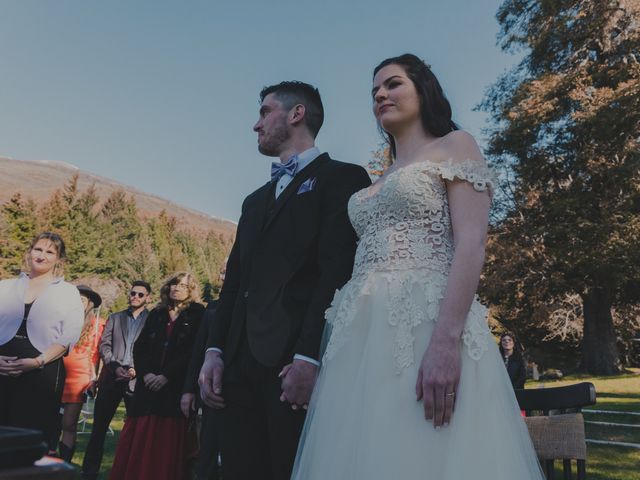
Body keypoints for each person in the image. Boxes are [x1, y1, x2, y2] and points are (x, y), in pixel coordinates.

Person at [291, 54, 544, 479]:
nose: (380, 95)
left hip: (427, 325)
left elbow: (471, 244)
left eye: (392, 84)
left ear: (422, 90)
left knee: (425, 451)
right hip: (362, 338)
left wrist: (445, 343)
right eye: (374, 91)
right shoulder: (382, 175)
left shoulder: (455, 146)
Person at [199, 81, 371, 480]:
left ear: (296, 114)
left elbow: (337, 272)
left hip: (291, 365)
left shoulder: (342, 179)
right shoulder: (253, 200)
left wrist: (309, 357)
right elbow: (234, 280)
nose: (255, 126)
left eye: (264, 112)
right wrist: (214, 350)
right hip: (237, 364)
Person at [110, 272, 205, 480]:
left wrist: (166, 376)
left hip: (174, 387)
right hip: (147, 386)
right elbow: (140, 346)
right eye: (174, 284)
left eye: (183, 285)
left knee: (167, 442)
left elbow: (193, 351)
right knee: (142, 434)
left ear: (191, 290)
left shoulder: (197, 314)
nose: (177, 288)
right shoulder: (157, 313)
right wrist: (145, 375)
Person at [0, 232, 84, 452]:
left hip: (42, 372)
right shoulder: (5, 286)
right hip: (1, 366)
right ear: (30, 252)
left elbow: (69, 335)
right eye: (38, 249)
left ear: (58, 259)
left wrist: (37, 362)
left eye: (50, 252)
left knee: (26, 440)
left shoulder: (68, 292)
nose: (42, 256)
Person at [81, 280, 151, 480]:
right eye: (133, 293)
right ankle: (89, 471)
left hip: (136, 383)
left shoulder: (153, 320)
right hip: (111, 379)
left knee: (136, 432)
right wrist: (114, 366)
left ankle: (133, 471)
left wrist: (140, 369)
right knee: (99, 429)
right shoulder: (115, 317)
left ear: (148, 298)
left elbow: (151, 350)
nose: (135, 297)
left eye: (140, 294)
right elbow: (104, 346)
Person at [57, 284, 105, 462]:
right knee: (50, 422)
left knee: (68, 424)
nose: (78, 302)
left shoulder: (97, 325)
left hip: (78, 378)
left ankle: (65, 463)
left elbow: (97, 354)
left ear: (89, 303)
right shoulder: (59, 320)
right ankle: (46, 460)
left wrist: (94, 380)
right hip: (55, 373)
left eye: (82, 299)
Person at [181, 300, 221, 480]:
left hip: (243, 387)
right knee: (207, 449)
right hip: (212, 390)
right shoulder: (213, 307)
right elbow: (199, 350)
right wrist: (188, 390)